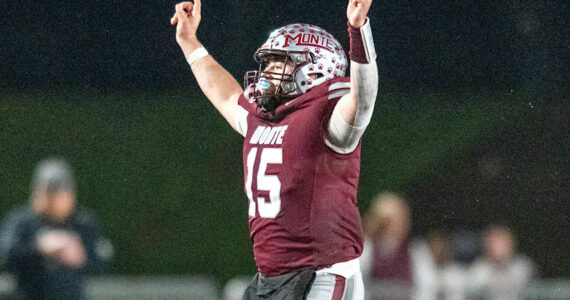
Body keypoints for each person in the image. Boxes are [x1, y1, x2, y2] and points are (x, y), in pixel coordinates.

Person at [171, 0, 378, 298]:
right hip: (269, 278)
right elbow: (224, 93)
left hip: (323, 276)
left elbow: (364, 97)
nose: (266, 71)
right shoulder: (260, 116)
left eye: (279, 62)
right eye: (266, 63)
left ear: (315, 68)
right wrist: (190, 43)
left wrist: (358, 31)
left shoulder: (327, 116)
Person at [0, 159, 113, 300]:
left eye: (59, 193)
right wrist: (40, 247)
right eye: (49, 193)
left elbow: (100, 264)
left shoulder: (83, 223)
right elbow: (7, 256)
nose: (54, 200)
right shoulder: (22, 221)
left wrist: (81, 257)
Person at [469, 224, 536, 300]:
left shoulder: (522, 266)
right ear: (487, 246)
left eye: (504, 242)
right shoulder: (479, 269)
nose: (501, 247)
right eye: (496, 243)